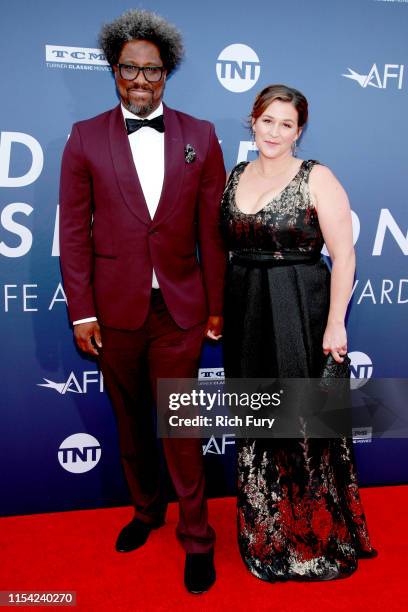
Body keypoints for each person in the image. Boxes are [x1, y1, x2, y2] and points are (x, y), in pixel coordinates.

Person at [59, 9, 226, 594]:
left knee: (179, 425)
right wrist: (82, 312)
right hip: (114, 313)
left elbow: (212, 230)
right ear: (113, 70)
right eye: (129, 68)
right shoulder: (84, 137)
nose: (140, 79)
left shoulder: (200, 135)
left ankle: (198, 537)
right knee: (130, 425)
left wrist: (217, 304)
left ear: (167, 74)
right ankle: (147, 512)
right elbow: (74, 232)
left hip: (179, 311)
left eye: (152, 70)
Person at [221, 84, 376, 581]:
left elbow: (345, 255)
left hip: (298, 304)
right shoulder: (236, 173)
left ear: (299, 130)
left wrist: (335, 323)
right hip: (246, 305)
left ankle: (311, 535)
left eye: (286, 124)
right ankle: (263, 529)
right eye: (267, 120)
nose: (275, 131)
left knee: (302, 422)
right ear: (253, 121)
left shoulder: (317, 177)